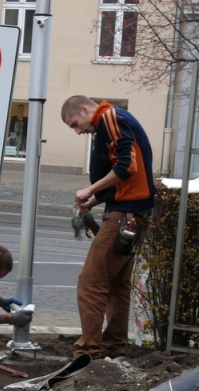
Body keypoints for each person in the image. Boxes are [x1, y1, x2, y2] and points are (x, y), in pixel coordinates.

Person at [60, 95, 156, 360]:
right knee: (117, 284)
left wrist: (90, 188)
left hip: (125, 214)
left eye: (75, 124)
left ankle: (89, 350)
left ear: (83, 108)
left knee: (91, 282)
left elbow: (127, 165)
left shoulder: (109, 118)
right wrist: (96, 199)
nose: (78, 131)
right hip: (134, 211)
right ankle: (114, 344)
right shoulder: (114, 120)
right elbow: (125, 174)